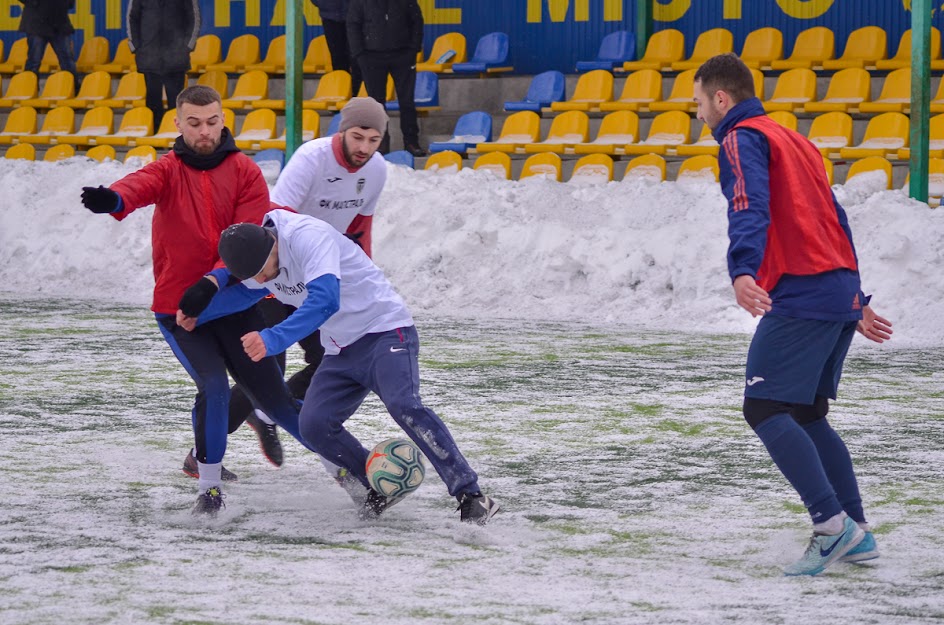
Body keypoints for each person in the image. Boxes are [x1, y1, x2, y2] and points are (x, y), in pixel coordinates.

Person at [692, 53, 894, 576]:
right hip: (835, 287)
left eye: (698, 103)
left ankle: (831, 526)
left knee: (762, 408)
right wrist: (855, 298)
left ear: (721, 98)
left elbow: (748, 204)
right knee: (807, 413)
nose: (698, 115)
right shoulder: (795, 138)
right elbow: (835, 216)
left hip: (803, 291)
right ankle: (858, 532)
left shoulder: (742, 138)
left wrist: (742, 269)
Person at [79, 85, 321, 516]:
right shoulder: (168, 170)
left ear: (223, 119)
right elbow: (138, 185)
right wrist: (114, 199)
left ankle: (352, 471)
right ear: (178, 124)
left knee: (277, 400)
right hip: (178, 310)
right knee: (213, 387)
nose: (204, 131)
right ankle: (209, 490)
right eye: (194, 123)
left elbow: (249, 238)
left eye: (212, 122)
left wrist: (213, 281)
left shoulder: (245, 171)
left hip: (233, 302)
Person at [213, 209, 501, 524]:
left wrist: (273, 339)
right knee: (313, 425)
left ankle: (472, 495)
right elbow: (235, 294)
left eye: (261, 271)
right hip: (340, 348)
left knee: (403, 404)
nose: (261, 280)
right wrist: (186, 313)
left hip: (385, 331)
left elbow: (326, 301)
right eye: (252, 276)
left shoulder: (308, 237)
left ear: (272, 244)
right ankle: (377, 487)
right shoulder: (261, 264)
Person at [228, 96, 390, 457]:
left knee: (330, 359)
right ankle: (203, 451)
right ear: (343, 130)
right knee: (265, 364)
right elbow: (275, 222)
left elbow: (360, 229)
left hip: (321, 277)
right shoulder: (311, 159)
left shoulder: (377, 169)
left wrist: (361, 278)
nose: (364, 147)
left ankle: (268, 410)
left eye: (374, 140)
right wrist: (275, 282)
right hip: (279, 272)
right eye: (358, 137)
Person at [347, 0, 427, 157]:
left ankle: (411, 142)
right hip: (371, 57)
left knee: (407, 101)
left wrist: (413, 49)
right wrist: (360, 54)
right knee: (376, 104)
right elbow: (353, 24)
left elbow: (417, 20)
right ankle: (380, 143)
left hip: (403, 55)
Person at [127, 0, 201, 132]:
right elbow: (132, 18)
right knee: (152, 99)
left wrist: (187, 46)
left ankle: (176, 134)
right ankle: (155, 132)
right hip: (149, 56)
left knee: (177, 100)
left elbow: (194, 18)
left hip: (176, 57)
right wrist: (136, 47)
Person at [309, 0, 362, 95]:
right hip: (330, 16)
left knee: (357, 60)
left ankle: (357, 98)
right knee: (337, 60)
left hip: (356, 16)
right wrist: (324, 4)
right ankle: (341, 96)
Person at [17, 0, 77, 77]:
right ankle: (29, 87)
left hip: (59, 24)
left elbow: (70, 4)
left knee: (67, 60)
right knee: (34, 60)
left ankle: (72, 86)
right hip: (37, 23)